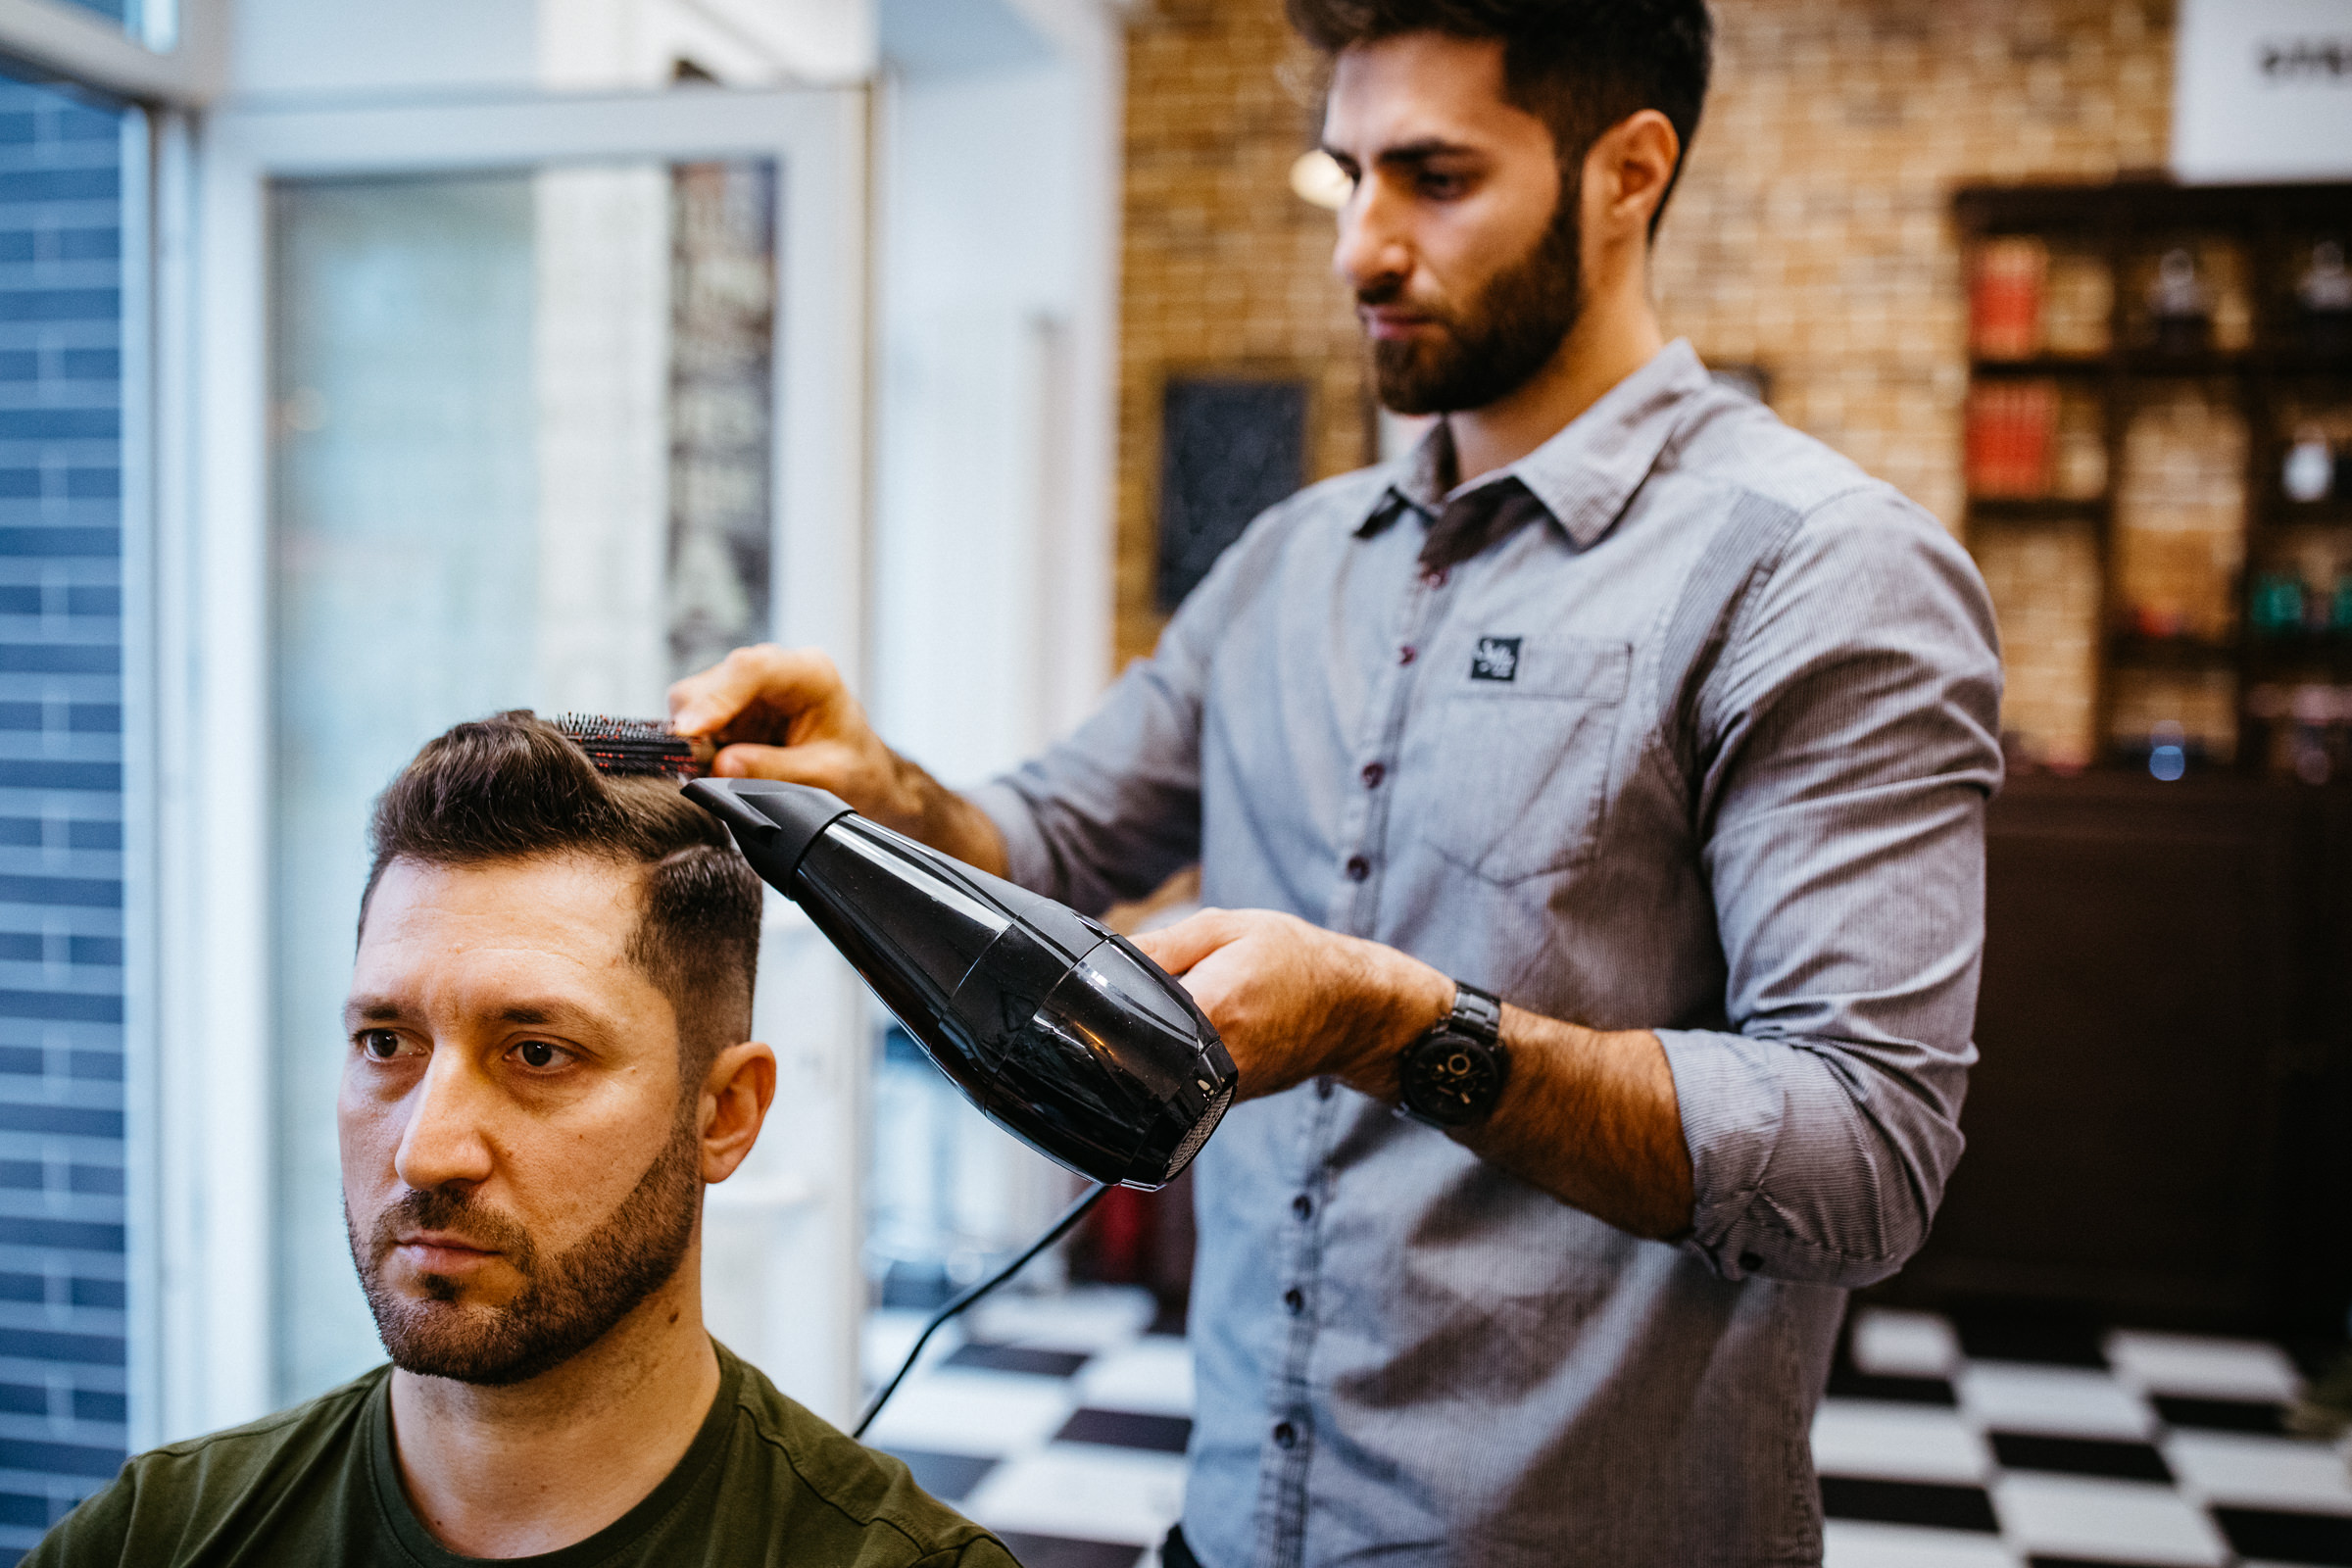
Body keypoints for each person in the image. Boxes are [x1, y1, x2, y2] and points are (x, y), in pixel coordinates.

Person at [668, 1, 2003, 1562]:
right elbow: (1045, 837)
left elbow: (1865, 1154)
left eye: (1433, 180)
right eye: (1345, 176)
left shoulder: (1819, 572)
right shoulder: (1290, 564)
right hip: (1234, 1531)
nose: (1360, 248)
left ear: (1629, 171)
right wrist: (871, 780)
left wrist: (1396, 1024)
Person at [28, 714, 1014, 1567]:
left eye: (538, 1052)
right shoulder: (155, 1536)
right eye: (386, 1042)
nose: (427, 1151)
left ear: (725, 1113)